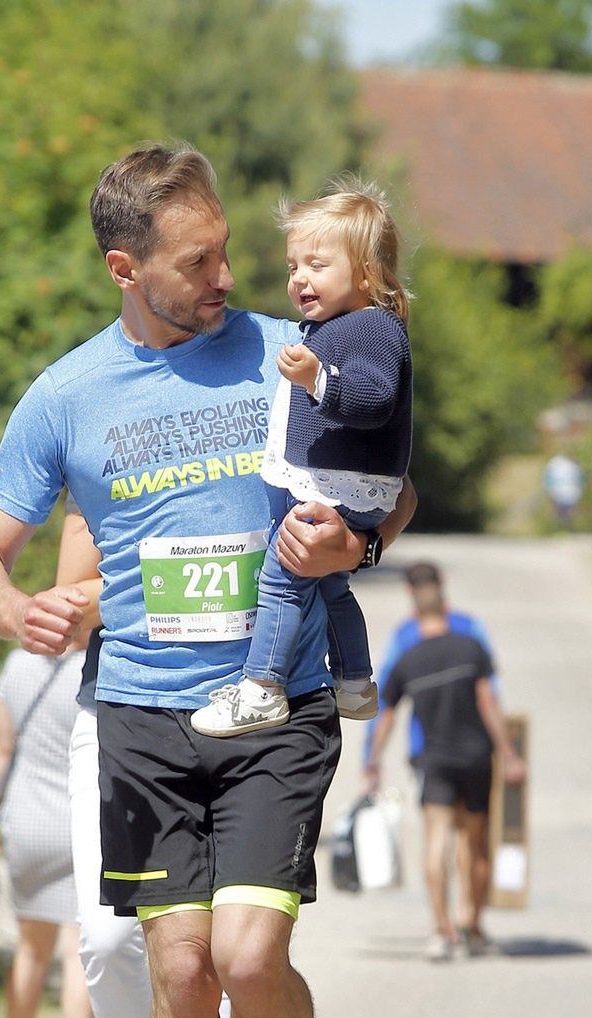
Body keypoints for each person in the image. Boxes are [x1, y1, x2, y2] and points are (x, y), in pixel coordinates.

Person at [0, 144, 416, 1018]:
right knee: (179, 972)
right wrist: (26, 614)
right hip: (146, 713)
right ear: (126, 268)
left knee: (251, 961)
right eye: (195, 260)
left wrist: (357, 543)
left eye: (224, 251)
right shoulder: (67, 394)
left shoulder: (285, 348)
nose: (224, 276)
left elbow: (394, 479)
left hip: (275, 698)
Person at [56, 509, 267, 1018]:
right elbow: (71, 593)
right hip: (122, 712)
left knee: (217, 949)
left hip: (246, 706)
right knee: (109, 941)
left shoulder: (264, 403)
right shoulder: (101, 418)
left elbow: (381, 487)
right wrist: (167, 569)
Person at [191, 178, 411, 737]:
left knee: (282, 580)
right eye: (293, 267)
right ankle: (356, 683)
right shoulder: (340, 326)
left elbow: (374, 398)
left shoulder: (374, 327)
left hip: (341, 489)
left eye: (316, 264)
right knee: (331, 582)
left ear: (364, 273)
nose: (299, 279)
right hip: (336, 485)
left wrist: (318, 377)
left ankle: (262, 687)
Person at [364, 574, 525, 962]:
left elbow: (385, 715)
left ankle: (441, 930)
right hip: (475, 758)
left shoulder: (409, 657)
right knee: (475, 842)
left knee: (436, 840)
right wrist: (510, 753)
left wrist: (372, 759)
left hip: (433, 760)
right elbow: (488, 702)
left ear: (415, 614)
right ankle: (471, 921)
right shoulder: (470, 647)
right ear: (446, 608)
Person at [0, 646, 94, 1018]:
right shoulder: (93, 665)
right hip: (81, 820)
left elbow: (2, 749)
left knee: (30, 948)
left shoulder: (17, 665)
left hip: (27, 820)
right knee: (78, 952)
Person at [543, 452, 584, 528]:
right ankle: (564, 526)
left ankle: (563, 527)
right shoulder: (571, 465)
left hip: (562, 491)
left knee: (562, 511)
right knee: (565, 511)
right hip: (566, 491)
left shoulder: (555, 464)